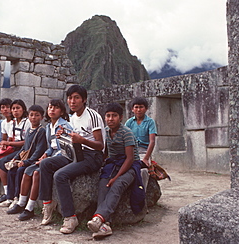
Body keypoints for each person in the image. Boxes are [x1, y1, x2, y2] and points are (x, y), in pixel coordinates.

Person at [39, 84, 106, 234]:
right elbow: (72, 139)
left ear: (84, 100)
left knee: (60, 175)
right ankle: (48, 204)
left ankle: (70, 217)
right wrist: (63, 135)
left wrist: (82, 140)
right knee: (45, 164)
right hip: (75, 153)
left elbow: (100, 145)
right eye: (70, 98)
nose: (72, 101)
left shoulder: (92, 116)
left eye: (76, 98)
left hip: (92, 156)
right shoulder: (72, 118)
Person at [87, 103, 145, 239]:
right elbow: (105, 152)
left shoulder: (126, 133)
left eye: (114, 116)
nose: (110, 119)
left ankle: (98, 218)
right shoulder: (106, 131)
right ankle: (104, 224)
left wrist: (116, 176)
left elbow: (130, 159)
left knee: (117, 185)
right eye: (108, 116)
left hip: (129, 166)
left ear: (121, 118)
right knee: (103, 186)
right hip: (113, 164)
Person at [7, 99, 72, 221]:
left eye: (56, 108)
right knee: (27, 171)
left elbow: (64, 148)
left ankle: (30, 208)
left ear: (62, 111)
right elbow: (50, 146)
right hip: (51, 157)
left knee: (36, 173)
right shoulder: (49, 127)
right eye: (50, 107)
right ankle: (21, 203)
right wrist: (45, 154)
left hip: (62, 157)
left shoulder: (64, 126)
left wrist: (47, 157)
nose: (52, 110)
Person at [5, 105, 48, 219]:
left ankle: (22, 201)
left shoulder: (41, 131)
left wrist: (27, 162)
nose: (33, 118)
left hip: (34, 161)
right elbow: (25, 148)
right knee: (12, 170)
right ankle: (14, 198)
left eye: (37, 115)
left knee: (21, 171)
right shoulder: (29, 130)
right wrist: (15, 158)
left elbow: (39, 150)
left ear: (42, 117)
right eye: (31, 115)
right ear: (28, 116)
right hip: (27, 159)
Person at [124, 97, 157, 190]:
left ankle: (141, 195)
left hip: (144, 152)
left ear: (146, 108)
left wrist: (146, 158)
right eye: (136, 107)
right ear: (132, 109)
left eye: (141, 107)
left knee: (143, 171)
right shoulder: (129, 122)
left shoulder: (150, 122)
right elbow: (124, 138)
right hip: (130, 151)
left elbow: (152, 141)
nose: (139, 110)